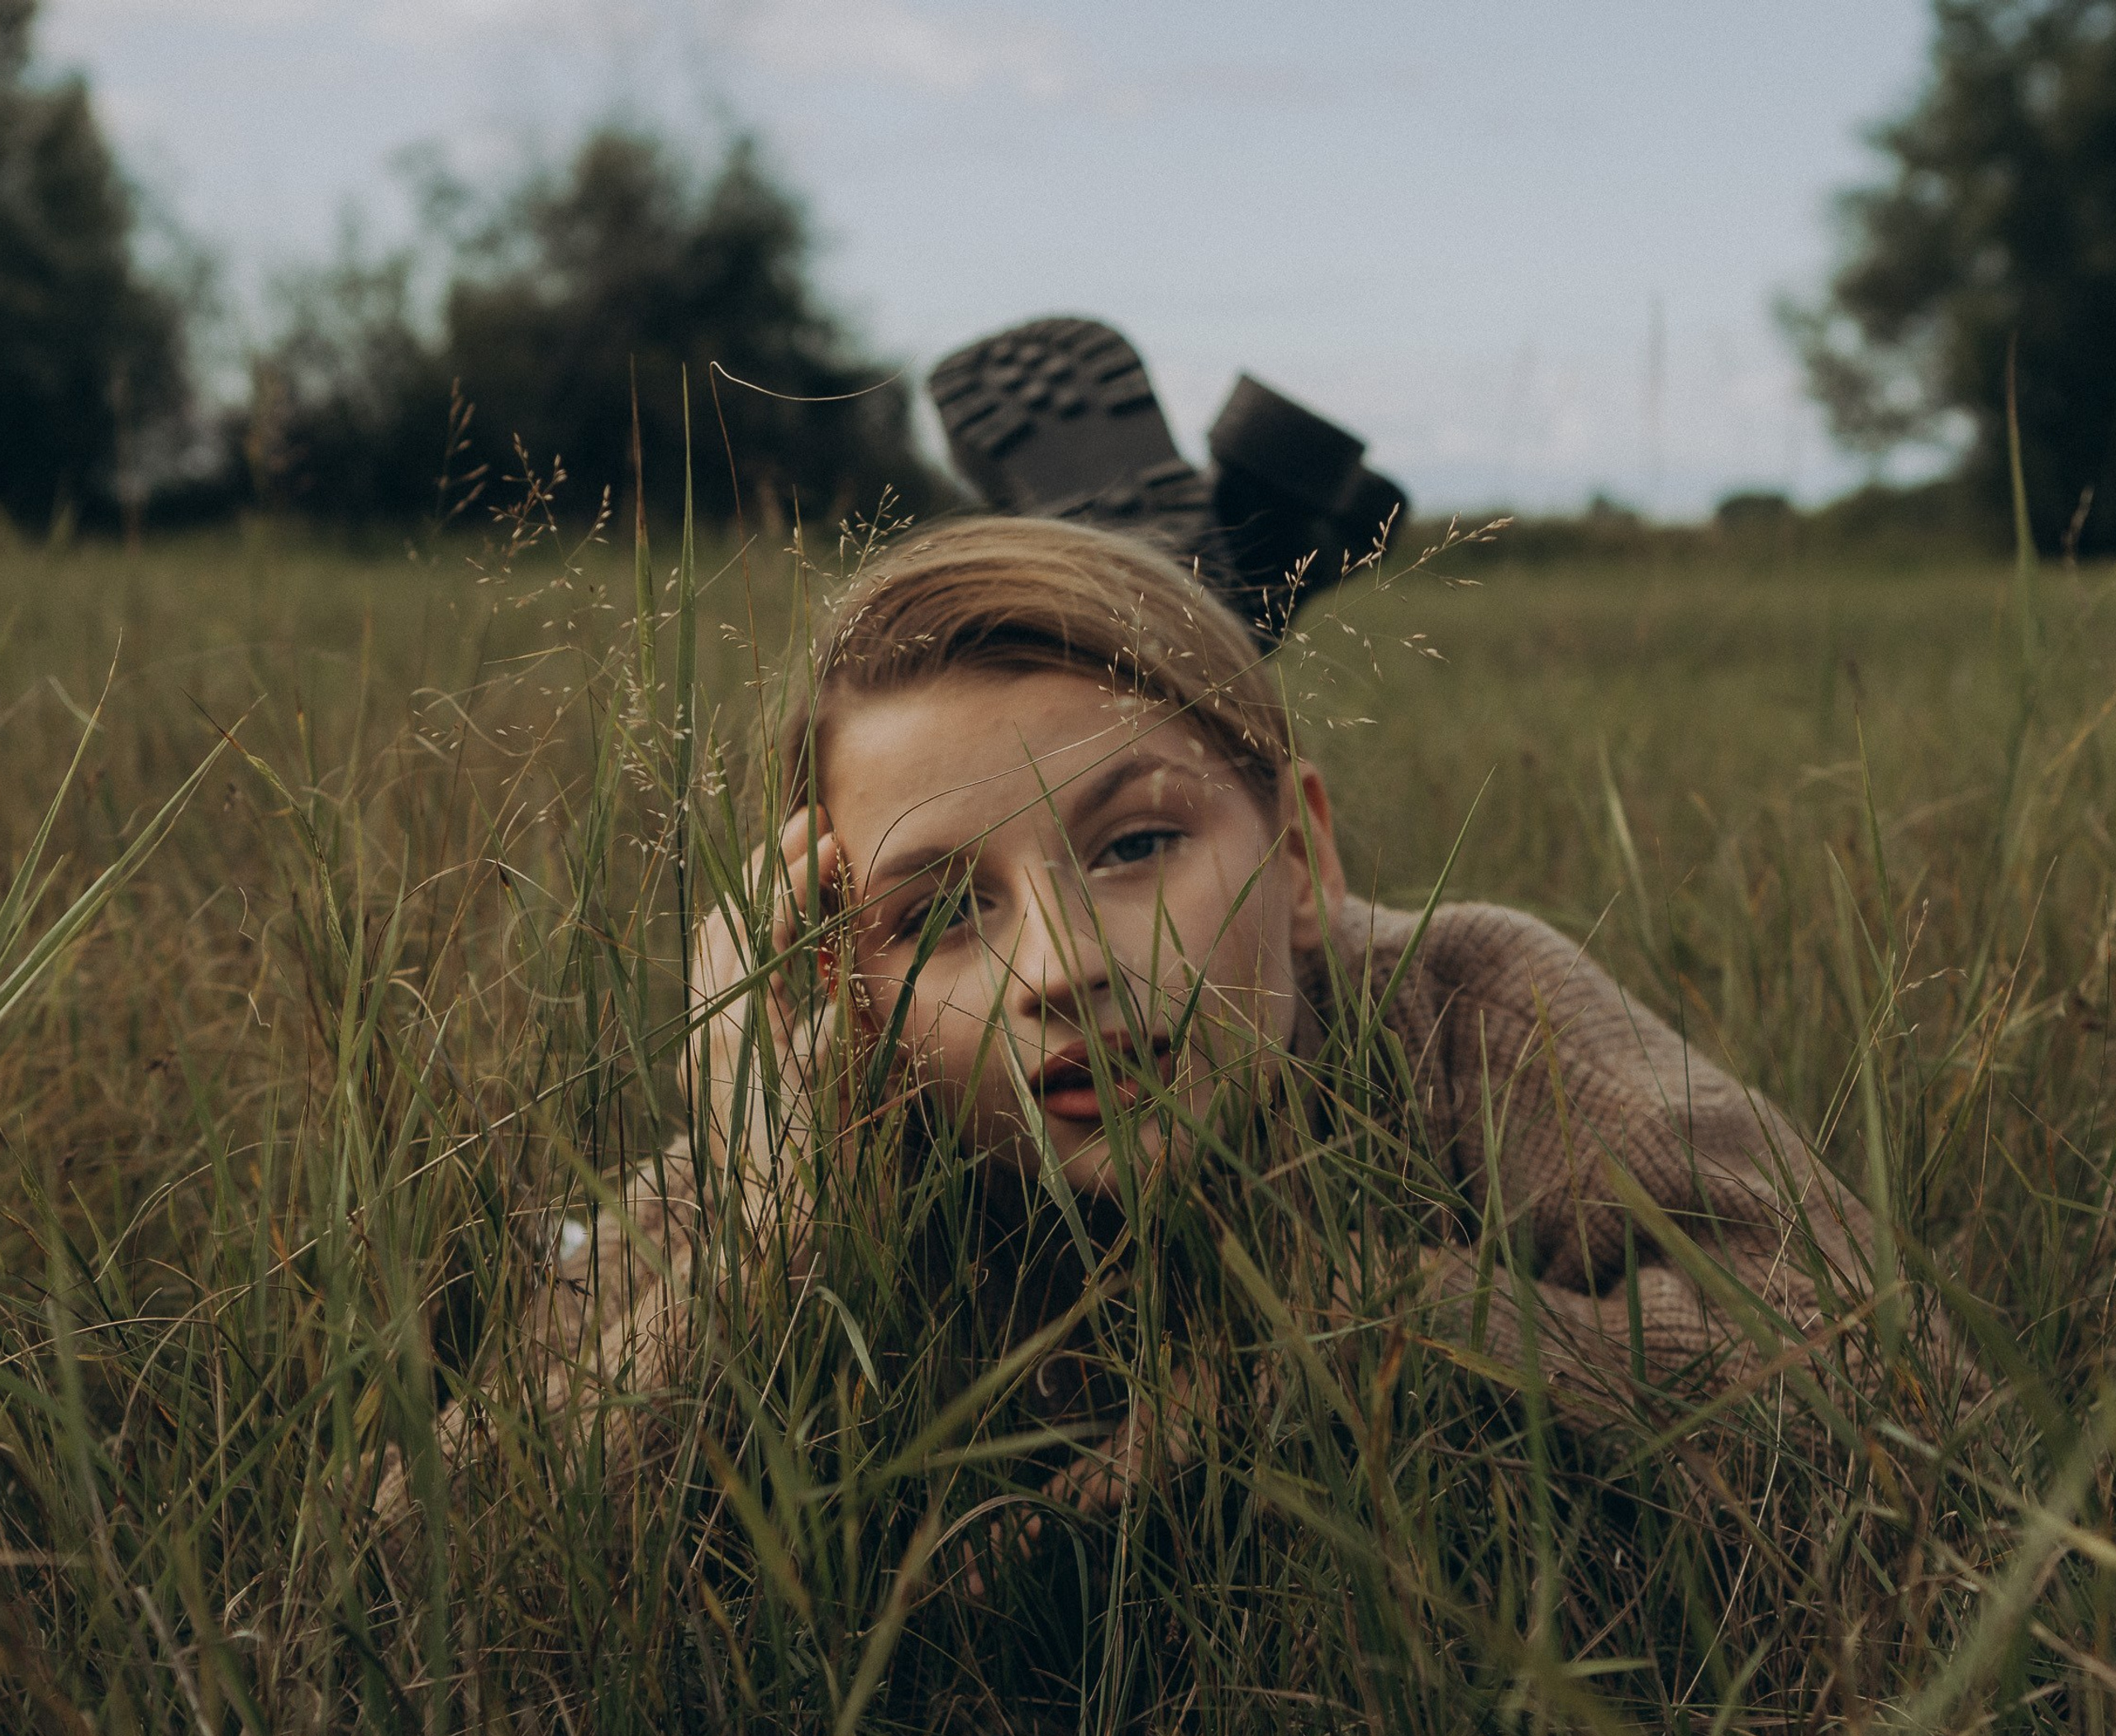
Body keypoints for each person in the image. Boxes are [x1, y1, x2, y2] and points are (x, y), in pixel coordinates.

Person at [405, 510, 1904, 1567]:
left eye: (1134, 849)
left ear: (1301, 855)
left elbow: (1892, 1397)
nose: (1062, 971)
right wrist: (766, 1211)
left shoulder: (1467, 1007)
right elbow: (423, 1565)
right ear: (836, 975)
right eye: (941, 915)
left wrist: (1372, 1328)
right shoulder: (815, 1125)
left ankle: (1154, 533)